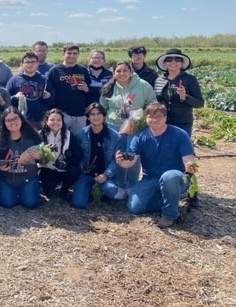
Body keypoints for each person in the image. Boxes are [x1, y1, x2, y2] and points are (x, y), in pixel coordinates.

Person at [116, 102, 198, 228]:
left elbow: (189, 159)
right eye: (151, 116)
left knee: (169, 177)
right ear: (146, 118)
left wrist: (190, 166)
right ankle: (172, 198)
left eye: (159, 116)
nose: (155, 120)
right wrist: (122, 162)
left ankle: (169, 215)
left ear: (166, 118)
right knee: (134, 207)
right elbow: (131, 161)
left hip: (177, 177)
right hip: (151, 178)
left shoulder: (180, 134)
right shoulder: (140, 137)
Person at [99, 61, 156, 193]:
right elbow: (103, 107)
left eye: (125, 70)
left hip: (134, 126)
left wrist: (140, 116)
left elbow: (152, 103)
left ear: (131, 72)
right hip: (114, 126)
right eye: (118, 71)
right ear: (114, 73)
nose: (122, 73)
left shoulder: (142, 85)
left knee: (132, 155)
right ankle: (119, 184)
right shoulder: (109, 88)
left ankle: (131, 185)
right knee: (116, 155)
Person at [0, 107, 45, 209]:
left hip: (28, 177)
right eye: (8, 120)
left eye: (15, 118)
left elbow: (45, 159)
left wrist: (40, 157)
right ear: (3, 123)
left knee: (30, 204)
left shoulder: (32, 135)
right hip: (5, 178)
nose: (12, 122)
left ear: (21, 119)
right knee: (8, 204)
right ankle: (4, 189)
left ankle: (27, 191)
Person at [71, 103, 123, 209]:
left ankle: (100, 189)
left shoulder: (115, 136)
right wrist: (82, 167)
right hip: (87, 174)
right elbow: (77, 156)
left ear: (104, 115)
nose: (96, 117)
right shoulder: (80, 134)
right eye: (92, 114)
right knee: (78, 204)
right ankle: (91, 189)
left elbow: (117, 160)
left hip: (106, 175)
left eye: (99, 113)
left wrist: (106, 175)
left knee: (111, 191)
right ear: (88, 117)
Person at [153, 48, 204, 137]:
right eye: (169, 60)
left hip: (183, 124)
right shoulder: (159, 80)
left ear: (182, 64)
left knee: (181, 150)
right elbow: (155, 101)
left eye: (177, 60)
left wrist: (185, 97)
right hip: (162, 123)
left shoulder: (190, 79)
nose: (173, 62)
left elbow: (200, 103)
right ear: (165, 63)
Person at [46, 43, 92, 135]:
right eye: (69, 53)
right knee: (60, 139)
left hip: (80, 113)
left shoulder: (83, 70)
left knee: (80, 141)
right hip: (62, 114)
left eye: (75, 53)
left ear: (78, 55)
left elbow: (89, 91)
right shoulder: (55, 70)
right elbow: (48, 91)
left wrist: (86, 89)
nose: (72, 56)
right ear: (63, 54)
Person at [38, 109, 82, 198]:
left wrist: (67, 162)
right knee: (48, 183)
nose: (55, 122)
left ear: (62, 122)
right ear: (46, 121)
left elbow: (78, 154)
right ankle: (48, 189)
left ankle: (65, 189)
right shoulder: (40, 135)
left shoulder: (69, 135)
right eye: (52, 120)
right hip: (46, 167)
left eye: (59, 120)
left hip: (64, 167)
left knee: (74, 170)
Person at [6, 52, 53, 131]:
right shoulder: (14, 80)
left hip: (40, 120)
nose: (30, 65)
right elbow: (6, 100)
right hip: (20, 120)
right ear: (22, 64)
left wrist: (48, 96)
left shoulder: (44, 79)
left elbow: (52, 100)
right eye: (27, 62)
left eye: (33, 62)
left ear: (38, 64)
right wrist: (15, 97)